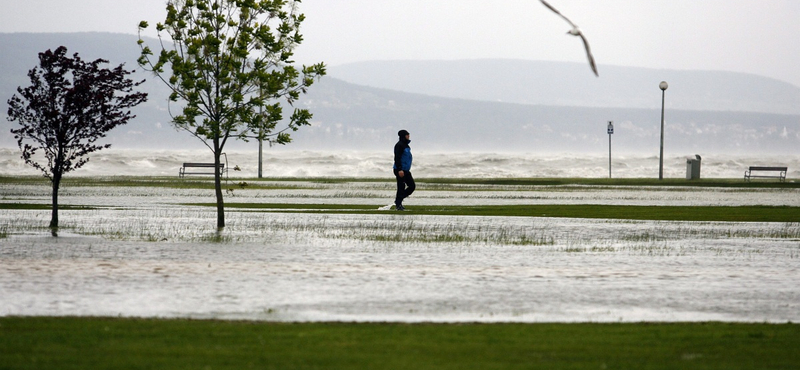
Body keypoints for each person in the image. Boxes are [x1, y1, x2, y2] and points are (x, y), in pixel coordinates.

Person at [393, 129, 415, 210]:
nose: (408, 136)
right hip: (400, 170)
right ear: (403, 136)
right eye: (407, 135)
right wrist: (399, 169)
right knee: (401, 187)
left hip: (406, 170)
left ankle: (398, 200)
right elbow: (397, 158)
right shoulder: (399, 145)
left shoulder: (406, 146)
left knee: (412, 186)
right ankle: (398, 204)